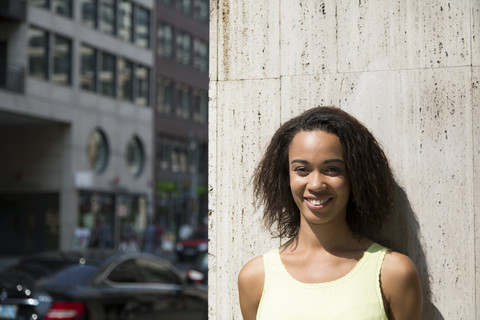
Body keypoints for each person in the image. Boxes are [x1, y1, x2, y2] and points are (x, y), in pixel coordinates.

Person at [238, 107, 422, 320]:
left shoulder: (393, 273)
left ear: (356, 176)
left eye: (332, 169)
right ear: (285, 177)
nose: (316, 184)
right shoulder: (255, 278)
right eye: (302, 170)